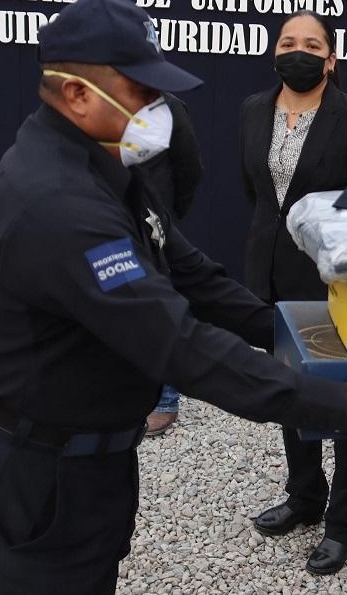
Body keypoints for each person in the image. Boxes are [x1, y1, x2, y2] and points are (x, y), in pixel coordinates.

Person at [0, 0, 347, 595]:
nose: (158, 108)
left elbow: (191, 274)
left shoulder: (107, 169)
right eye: (141, 91)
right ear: (78, 94)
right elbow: (180, 349)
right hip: (26, 477)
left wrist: (303, 336)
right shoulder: (59, 203)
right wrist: (345, 404)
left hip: (81, 467)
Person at [238, 9, 347, 575]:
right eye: (287, 42)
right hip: (271, 277)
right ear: (275, 52)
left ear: (330, 58)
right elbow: (253, 191)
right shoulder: (253, 110)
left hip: (336, 283)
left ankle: (345, 523)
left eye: (311, 44)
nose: (296, 52)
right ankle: (305, 496)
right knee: (288, 391)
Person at [140, 94, 204, 436]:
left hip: (154, 223)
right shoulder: (97, 100)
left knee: (161, 309)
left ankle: (165, 400)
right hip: (108, 222)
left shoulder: (170, 106)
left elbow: (189, 167)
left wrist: (167, 215)